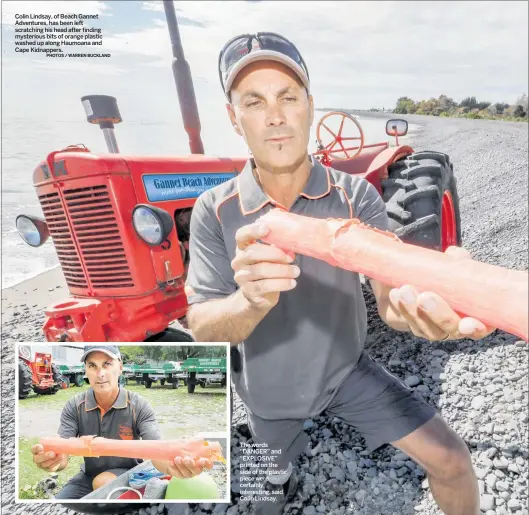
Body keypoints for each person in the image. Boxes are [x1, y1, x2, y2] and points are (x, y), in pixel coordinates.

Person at [184, 33, 495, 515]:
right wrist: (248, 303)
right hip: (268, 394)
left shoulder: (357, 196)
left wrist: (424, 311)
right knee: (264, 499)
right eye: (254, 100)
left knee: (453, 460)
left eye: (288, 96)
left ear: (310, 106)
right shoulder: (214, 209)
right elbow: (203, 327)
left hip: (345, 372)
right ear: (234, 117)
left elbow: (389, 303)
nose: (275, 115)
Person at [30, 345, 212, 499]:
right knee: (62, 501)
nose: (100, 373)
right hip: (87, 475)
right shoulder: (74, 405)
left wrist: (173, 467)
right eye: (92, 366)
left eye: (107, 364)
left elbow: (158, 451)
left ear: (120, 367)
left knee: (103, 483)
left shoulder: (139, 405)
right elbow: (62, 454)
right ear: (85, 370)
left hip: (128, 473)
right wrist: (55, 460)